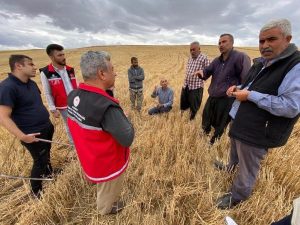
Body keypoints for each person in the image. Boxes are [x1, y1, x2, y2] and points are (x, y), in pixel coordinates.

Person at [216, 19, 300, 209]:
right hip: (242, 121)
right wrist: (238, 88)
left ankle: (238, 196)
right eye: (261, 41)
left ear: (287, 39)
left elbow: (291, 106)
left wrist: (250, 95)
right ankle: (230, 168)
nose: (265, 45)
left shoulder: (295, 66)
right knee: (235, 152)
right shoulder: (262, 63)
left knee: (248, 167)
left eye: (271, 39)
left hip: (259, 130)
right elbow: (251, 86)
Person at [67, 51, 134, 215]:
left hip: (89, 155)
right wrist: (125, 119)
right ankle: (105, 209)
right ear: (102, 74)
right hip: (106, 162)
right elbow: (127, 138)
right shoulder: (105, 106)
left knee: (102, 185)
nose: (115, 72)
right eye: (112, 69)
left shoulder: (73, 95)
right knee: (108, 188)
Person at [0, 55, 54, 198]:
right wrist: (22, 136)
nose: (35, 67)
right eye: (30, 64)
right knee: (39, 160)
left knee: (46, 153)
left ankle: (49, 173)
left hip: (46, 126)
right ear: (19, 66)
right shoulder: (7, 87)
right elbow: (3, 116)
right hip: (32, 133)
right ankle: (36, 192)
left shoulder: (31, 83)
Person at [194, 34, 251, 144]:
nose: (221, 45)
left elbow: (246, 80)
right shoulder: (217, 60)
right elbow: (207, 71)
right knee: (206, 118)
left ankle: (213, 144)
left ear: (232, 43)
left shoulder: (241, 57)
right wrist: (202, 73)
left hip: (227, 99)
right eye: (219, 43)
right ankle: (204, 138)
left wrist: (239, 92)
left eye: (224, 42)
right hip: (213, 96)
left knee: (221, 124)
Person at [40, 44, 77, 144]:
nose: (63, 57)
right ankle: (73, 144)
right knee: (70, 124)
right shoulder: (46, 72)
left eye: (63, 54)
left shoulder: (70, 69)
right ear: (51, 57)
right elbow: (47, 92)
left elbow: (75, 85)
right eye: (59, 55)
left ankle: (81, 141)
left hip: (76, 101)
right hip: (63, 105)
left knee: (80, 122)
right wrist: (52, 108)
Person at [180, 41, 210, 120]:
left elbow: (208, 71)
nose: (192, 52)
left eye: (194, 49)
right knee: (184, 102)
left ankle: (191, 119)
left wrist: (201, 74)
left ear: (199, 49)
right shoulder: (190, 58)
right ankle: (182, 116)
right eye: (191, 50)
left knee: (194, 105)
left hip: (196, 87)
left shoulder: (204, 58)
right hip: (186, 84)